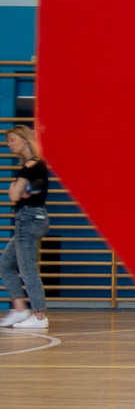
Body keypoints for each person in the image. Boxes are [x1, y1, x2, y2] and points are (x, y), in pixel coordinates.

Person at [0, 124, 49, 330]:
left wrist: (13, 188)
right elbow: (23, 193)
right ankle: (20, 309)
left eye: (12, 140)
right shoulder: (36, 166)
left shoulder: (30, 167)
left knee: (28, 269)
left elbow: (13, 195)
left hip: (28, 219)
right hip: (32, 218)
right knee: (5, 264)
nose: (9, 144)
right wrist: (18, 191)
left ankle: (39, 316)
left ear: (25, 139)